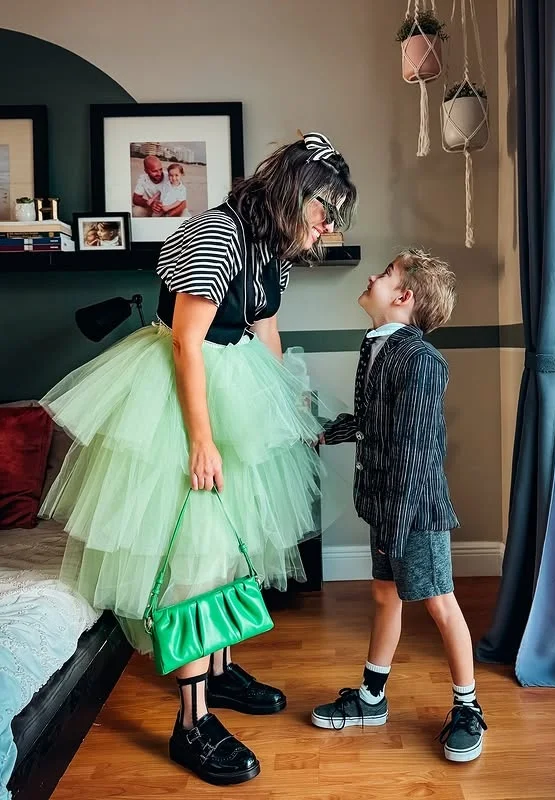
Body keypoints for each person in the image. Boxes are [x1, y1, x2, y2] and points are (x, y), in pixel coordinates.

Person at [39, 131, 357, 785]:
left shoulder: (273, 246)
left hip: (238, 385)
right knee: (194, 559)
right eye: (325, 213)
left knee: (231, 547)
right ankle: (192, 726)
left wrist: (287, 410)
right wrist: (201, 440)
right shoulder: (216, 235)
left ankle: (220, 666)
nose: (326, 230)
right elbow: (187, 342)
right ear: (297, 195)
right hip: (186, 393)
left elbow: (264, 327)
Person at [310, 249, 487, 763]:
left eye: (385, 275)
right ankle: (372, 698)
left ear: (404, 298)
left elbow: (414, 452)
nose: (373, 277)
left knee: (439, 603)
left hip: (414, 514)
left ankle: (468, 706)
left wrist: (396, 525)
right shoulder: (380, 346)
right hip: (388, 508)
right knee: (385, 596)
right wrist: (328, 431)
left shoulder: (420, 360)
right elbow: (376, 424)